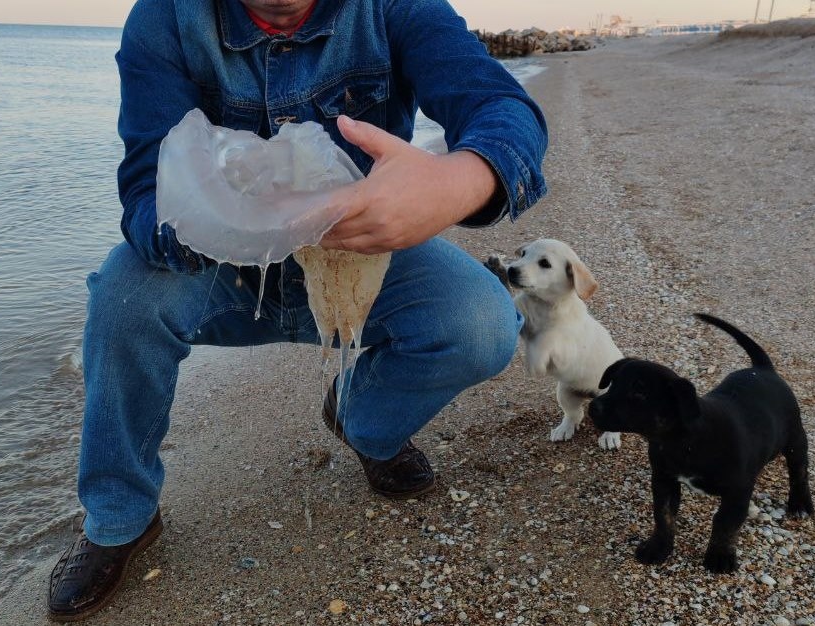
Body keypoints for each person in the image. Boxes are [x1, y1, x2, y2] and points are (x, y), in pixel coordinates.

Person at [47, 0, 547, 620]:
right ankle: (119, 518)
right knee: (121, 301)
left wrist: (457, 183)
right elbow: (145, 183)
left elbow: (500, 106)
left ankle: (363, 419)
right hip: (219, 261)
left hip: (358, 250)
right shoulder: (166, 16)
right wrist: (201, 222)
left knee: (481, 323)